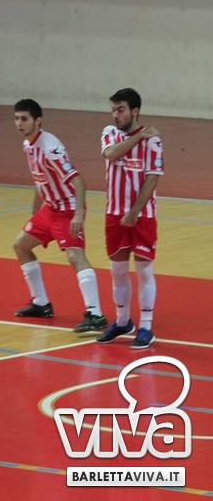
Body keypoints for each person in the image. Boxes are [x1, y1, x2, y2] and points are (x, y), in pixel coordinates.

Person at [11, 100, 106, 333]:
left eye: (24, 119)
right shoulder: (28, 145)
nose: (19, 123)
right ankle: (41, 303)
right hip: (50, 209)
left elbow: (79, 181)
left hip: (67, 209)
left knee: (75, 256)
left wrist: (78, 215)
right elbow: (39, 179)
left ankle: (95, 314)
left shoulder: (50, 148)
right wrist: (35, 212)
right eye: (16, 118)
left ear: (38, 121)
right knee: (21, 245)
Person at [96, 88, 163, 349]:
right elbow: (110, 154)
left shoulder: (153, 141)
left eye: (121, 109)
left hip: (142, 215)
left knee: (144, 271)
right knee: (118, 271)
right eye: (113, 110)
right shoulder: (109, 133)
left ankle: (146, 327)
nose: (116, 115)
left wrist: (134, 212)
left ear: (135, 111)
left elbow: (152, 179)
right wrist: (137, 137)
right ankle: (123, 321)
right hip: (114, 214)